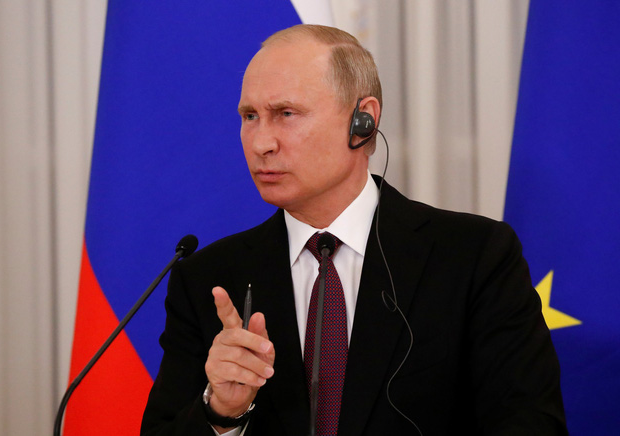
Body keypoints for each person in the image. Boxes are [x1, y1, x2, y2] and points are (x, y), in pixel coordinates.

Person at [141, 24, 567, 435]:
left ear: (363, 121)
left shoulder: (475, 257)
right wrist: (221, 412)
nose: (260, 143)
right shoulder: (207, 279)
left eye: (286, 114)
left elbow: (532, 423)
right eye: (250, 116)